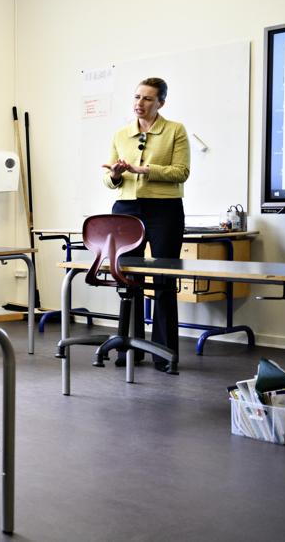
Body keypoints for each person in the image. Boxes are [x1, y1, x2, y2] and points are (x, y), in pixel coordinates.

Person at [101, 77, 190, 372]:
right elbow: (109, 179)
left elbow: (181, 172)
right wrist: (115, 174)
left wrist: (144, 170)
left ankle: (164, 353)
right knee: (128, 279)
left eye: (148, 99)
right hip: (126, 209)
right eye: (137, 97)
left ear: (161, 103)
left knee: (164, 279)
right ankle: (129, 349)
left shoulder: (175, 131)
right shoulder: (121, 134)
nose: (140, 103)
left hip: (164, 210)